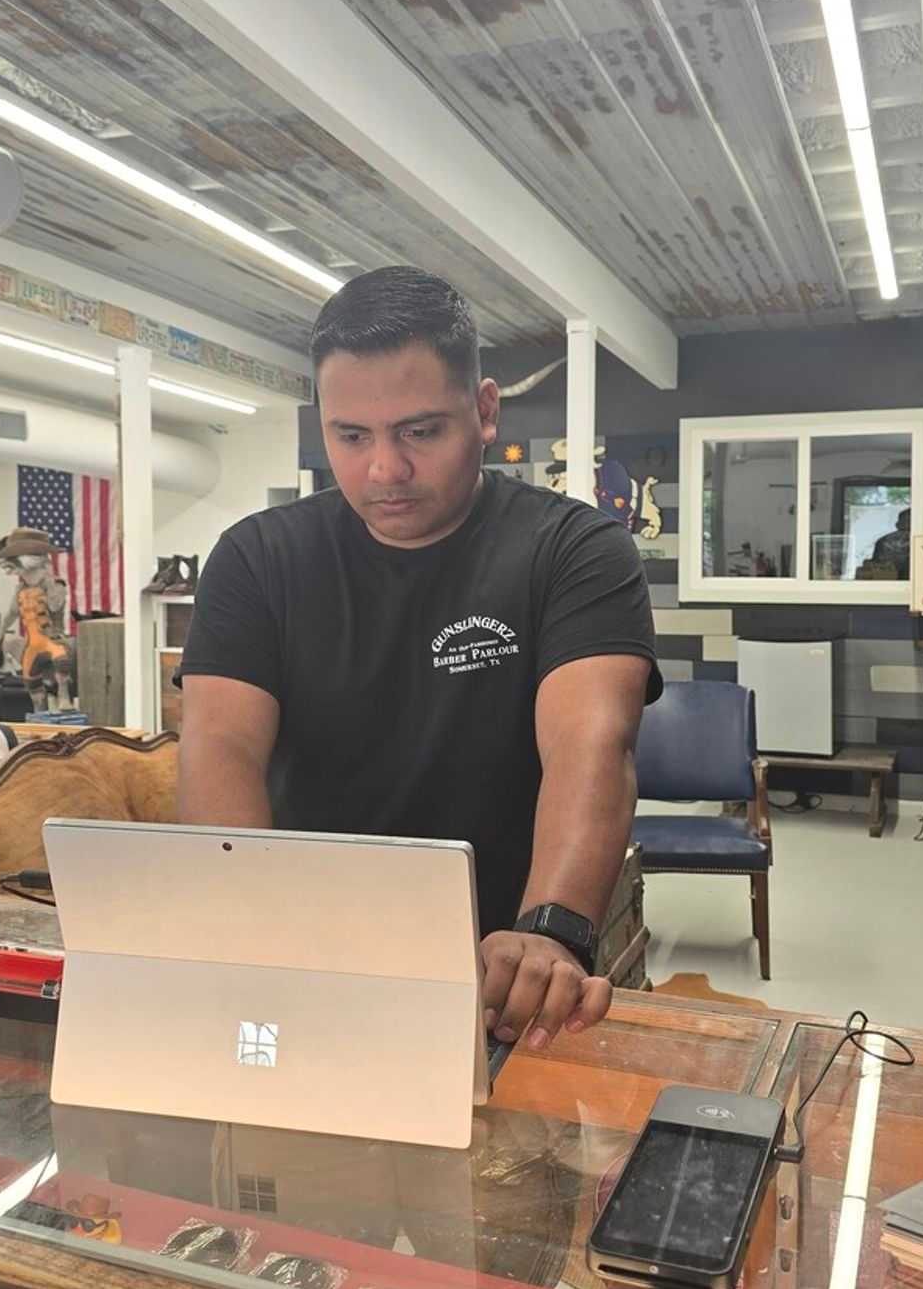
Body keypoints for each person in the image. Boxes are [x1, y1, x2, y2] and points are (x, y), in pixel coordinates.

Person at [177, 267, 660, 1054]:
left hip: (505, 975)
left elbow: (593, 744)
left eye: (421, 431)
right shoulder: (258, 558)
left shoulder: (574, 549)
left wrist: (549, 931)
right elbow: (219, 742)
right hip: (307, 964)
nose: (385, 470)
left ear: (484, 409)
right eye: (352, 436)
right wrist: (244, 920)